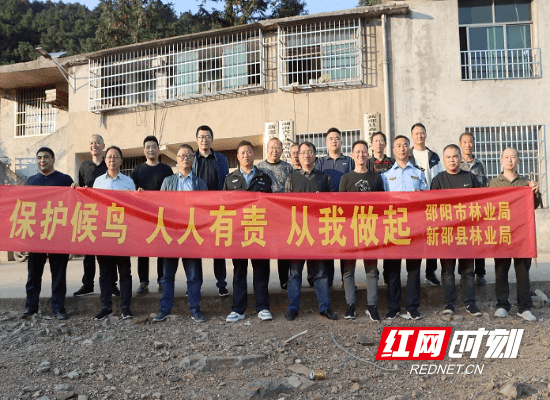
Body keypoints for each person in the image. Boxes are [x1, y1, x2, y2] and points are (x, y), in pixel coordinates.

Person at [153, 144, 208, 323]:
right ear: (176, 160)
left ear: (193, 159)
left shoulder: (200, 184)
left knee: (194, 277)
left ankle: (195, 309)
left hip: (191, 235)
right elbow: (160, 207)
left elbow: (205, 210)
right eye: (182, 155)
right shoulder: (168, 182)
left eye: (189, 155)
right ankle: (164, 309)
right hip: (171, 234)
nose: (185, 158)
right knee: (167, 276)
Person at [284, 141, 337, 321]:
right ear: (298, 157)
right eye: (303, 152)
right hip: (298, 232)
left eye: (310, 152)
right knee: (295, 273)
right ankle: (293, 308)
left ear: (315, 155)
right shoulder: (292, 179)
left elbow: (333, 204)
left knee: (320, 273)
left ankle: (324, 307)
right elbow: (286, 207)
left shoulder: (324, 178)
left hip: (318, 233)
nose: (306, 155)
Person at [223, 141, 273, 322]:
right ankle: (238, 309)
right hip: (238, 232)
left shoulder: (264, 178)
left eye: (249, 152)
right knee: (239, 271)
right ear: (237, 156)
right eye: (243, 153)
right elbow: (224, 206)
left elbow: (271, 206)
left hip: (259, 231)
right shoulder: (230, 179)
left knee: (261, 271)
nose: (246, 155)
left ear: (254, 155)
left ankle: (263, 307)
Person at [22, 147, 74, 320]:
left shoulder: (65, 180)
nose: (42, 160)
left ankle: (58, 308)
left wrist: (76, 190)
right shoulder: (30, 181)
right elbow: (23, 206)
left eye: (45, 157)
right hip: (36, 235)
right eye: (39, 158)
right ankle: (30, 307)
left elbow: (73, 203)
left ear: (53, 159)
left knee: (58, 275)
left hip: (58, 234)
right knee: (33, 274)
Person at [490, 148, 541, 322]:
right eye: (506, 157)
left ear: (518, 160)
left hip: (521, 233)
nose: (510, 160)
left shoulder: (526, 183)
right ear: (501, 160)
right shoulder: (494, 183)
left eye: (513, 157)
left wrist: (535, 192)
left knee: (522, 271)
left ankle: (524, 307)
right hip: (502, 233)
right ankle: (502, 305)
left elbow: (534, 206)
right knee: (501, 270)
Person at [431, 144, 482, 317]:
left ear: (460, 158)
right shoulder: (438, 180)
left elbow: (481, 202)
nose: (452, 160)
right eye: (448, 157)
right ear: (443, 160)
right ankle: (449, 303)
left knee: (468, 271)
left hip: (467, 233)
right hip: (446, 234)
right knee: (447, 271)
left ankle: (470, 303)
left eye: (455, 156)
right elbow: (432, 208)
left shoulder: (470, 178)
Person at [381, 136, 428, 320]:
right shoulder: (385, 176)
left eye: (405, 145)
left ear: (409, 149)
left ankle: (412, 307)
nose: (402, 149)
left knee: (413, 269)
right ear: (393, 150)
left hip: (414, 226)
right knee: (393, 270)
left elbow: (427, 198)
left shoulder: (418, 173)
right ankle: (393, 307)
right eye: (398, 146)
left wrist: (420, 195)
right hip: (393, 226)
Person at [340, 140, 384, 321]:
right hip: (350, 230)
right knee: (348, 271)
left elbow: (382, 204)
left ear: (368, 154)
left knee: (371, 271)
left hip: (370, 229)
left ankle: (372, 306)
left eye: (364, 151)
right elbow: (340, 206)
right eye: (357, 151)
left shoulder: (376, 177)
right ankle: (350, 305)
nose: (361, 154)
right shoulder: (346, 178)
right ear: (352, 155)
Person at [73, 134, 119, 297]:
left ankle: (112, 285)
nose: (94, 145)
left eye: (97, 143)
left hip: (107, 214)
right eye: (91, 143)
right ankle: (88, 284)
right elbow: (81, 188)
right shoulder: (84, 165)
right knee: (89, 252)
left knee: (109, 251)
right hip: (90, 213)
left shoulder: (107, 165)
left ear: (103, 146)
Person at [92, 146, 136, 320]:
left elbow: (134, 207)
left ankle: (125, 307)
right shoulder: (98, 182)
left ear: (121, 161)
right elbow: (92, 205)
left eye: (115, 157)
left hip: (122, 233)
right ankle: (106, 307)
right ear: (105, 160)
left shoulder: (128, 182)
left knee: (124, 273)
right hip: (103, 233)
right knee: (105, 273)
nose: (112, 159)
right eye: (109, 157)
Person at [130, 136, 173, 296]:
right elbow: (131, 192)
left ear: (158, 149)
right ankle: (143, 282)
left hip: (162, 215)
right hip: (143, 216)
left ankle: (162, 281)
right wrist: (138, 192)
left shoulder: (166, 170)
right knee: (143, 250)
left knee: (162, 250)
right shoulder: (137, 170)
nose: (151, 150)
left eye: (154, 146)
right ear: (144, 150)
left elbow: (172, 192)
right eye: (148, 147)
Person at [314, 127, 355, 287]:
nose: (334, 141)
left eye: (337, 138)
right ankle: (328, 281)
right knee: (328, 244)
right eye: (331, 139)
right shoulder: (320, 162)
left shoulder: (349, 161)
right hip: (327, 211)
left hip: (345, 210)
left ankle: (347, 280)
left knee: (345, 246)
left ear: (341, 142)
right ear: (326, 143)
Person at [192, 125, 230, 297]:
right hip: (197, 210)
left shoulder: (221, 159)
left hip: (217, 210)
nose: (204, 140)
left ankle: (221, 283)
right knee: (196, 249)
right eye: (201, 137)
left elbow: (225, 182)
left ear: (212, 139)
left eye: (207, 137)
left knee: (218, 249)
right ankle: (196, 284)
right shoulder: (192, 158)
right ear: (196, 140)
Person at [409, 122, 443, 287]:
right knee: (414, 239)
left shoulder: (433, 156)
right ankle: (413, 274)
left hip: (431, 202)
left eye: (422, 133)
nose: (419, 136)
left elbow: (439, 177)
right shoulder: (408, 155)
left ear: (426, 135)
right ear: (412, 136)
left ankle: (430, 273)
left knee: (432, 238)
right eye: (416, 133)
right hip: (414, 204)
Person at [257, 137, 294, 290]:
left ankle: (284, 280)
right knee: (263, 249)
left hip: (283, 214)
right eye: (272, 148)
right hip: (265, 214)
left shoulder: (288, 168)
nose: (274, 151)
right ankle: (262, 282)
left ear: (282, 150)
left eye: (278, 148)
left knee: (283, 249)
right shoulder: (259, 167)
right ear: (267, 149)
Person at [459, 132, 488, 286]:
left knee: (478, 240)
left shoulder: (480, 164)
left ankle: (480, 272)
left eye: (470, 142)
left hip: (477, 207)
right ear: (460, 145)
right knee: (463, 240)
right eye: (464, 142)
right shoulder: (457, 163)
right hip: (462, 209)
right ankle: (464, 272)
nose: (467, 145)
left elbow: (485, 184)